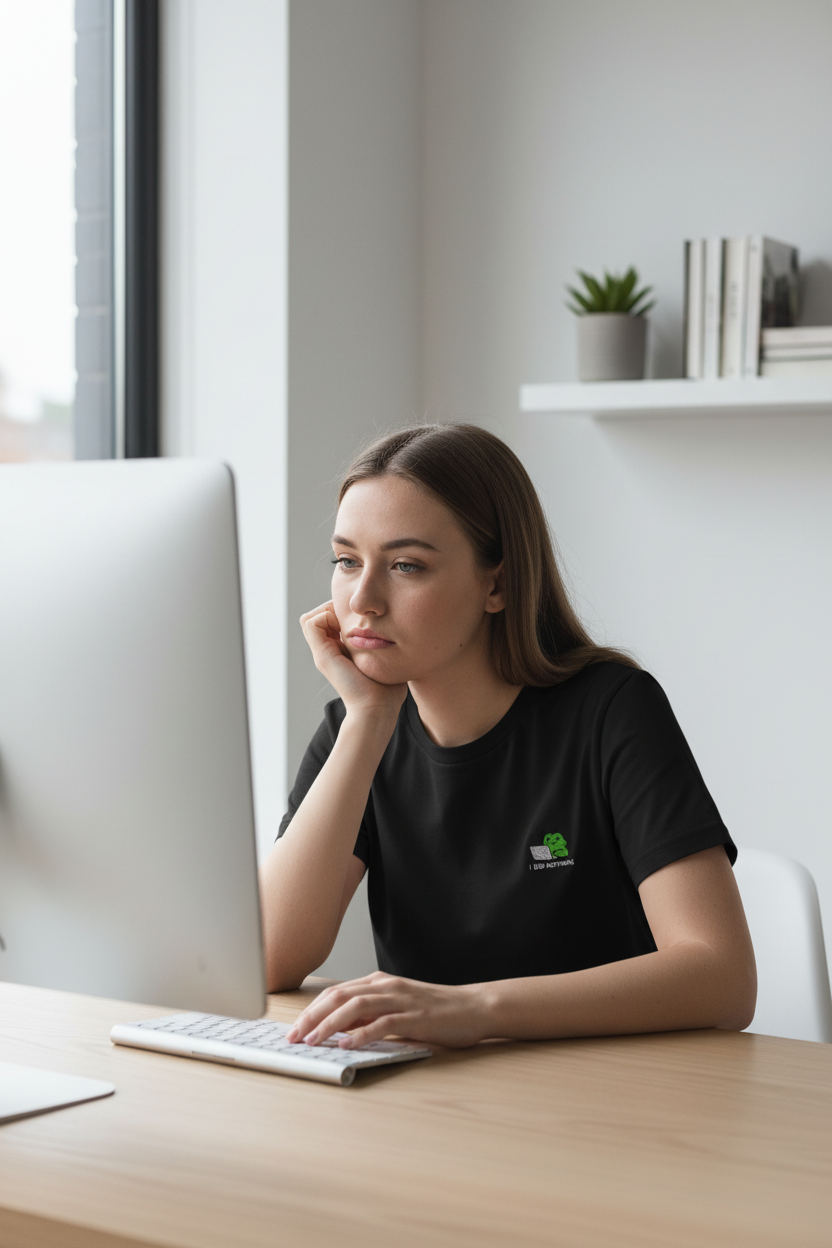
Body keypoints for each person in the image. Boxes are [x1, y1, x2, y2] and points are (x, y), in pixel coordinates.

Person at [260, 424, 756, 1051]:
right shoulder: (354, 729)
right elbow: (270, 956)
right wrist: (367, 722)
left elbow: (722, 977)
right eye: (346, 561)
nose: (363, 599)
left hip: (614, 1098)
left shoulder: (611, 710)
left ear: (496, 584)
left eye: (406, 565)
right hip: (439, 1102)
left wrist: (473, 1009)